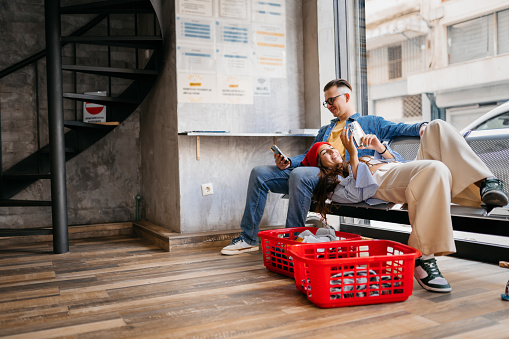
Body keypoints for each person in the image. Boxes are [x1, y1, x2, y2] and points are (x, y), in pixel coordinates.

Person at [221, 79, 426, 255]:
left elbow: (400, 129)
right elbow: (310, 155)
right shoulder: (326, 129)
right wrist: (289, 161)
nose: (328, 105)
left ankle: (292, 242)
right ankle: (248, 239)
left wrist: (422, 127)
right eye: (325, 102)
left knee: (301, 174)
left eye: (332, 100)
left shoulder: (370, 122)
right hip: (315, 172)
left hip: (341, 176)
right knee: (260, 173)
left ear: (346, 97)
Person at [306, 119, 508, 293]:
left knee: (436, 126)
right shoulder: (335, 183)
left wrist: (380, 148)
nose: (332, 151)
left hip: (406, 171)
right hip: (391, 183)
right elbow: (358, 193)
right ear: (319, 164)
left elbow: (400, 163)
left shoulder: (359, 159)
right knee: (435, 169)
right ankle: (423, 255)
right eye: (325, 152)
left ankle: (487, 182)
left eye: (332, 148)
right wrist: (354, 155)